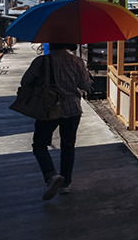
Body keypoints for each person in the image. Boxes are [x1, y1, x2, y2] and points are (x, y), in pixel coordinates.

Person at [20, 43, 92, 200]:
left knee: (39, 145)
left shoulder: (41, 62)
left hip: (48, 109)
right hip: (72, 109)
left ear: (49, 44)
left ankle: (51, 175)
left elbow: (24, 82)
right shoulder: (77, 61)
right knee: (68, 146)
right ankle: (66, 185)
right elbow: (86, 86)